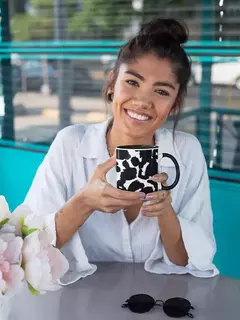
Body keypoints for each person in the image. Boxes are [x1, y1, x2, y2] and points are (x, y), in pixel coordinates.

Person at [24, 18, 219, 285]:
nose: (143, 101)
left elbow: (185, 260)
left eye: (161, 91)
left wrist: (165, 212)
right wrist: (84, 203)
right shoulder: (69, 144)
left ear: (175, 103)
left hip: (157, 301)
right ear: (112, 84)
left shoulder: (186, 151)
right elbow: (30, 246)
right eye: (132, 82)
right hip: (81, 301)